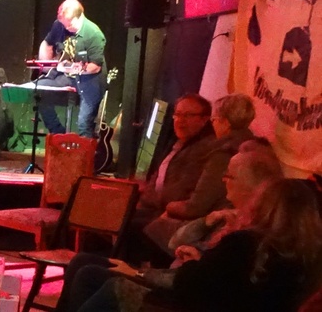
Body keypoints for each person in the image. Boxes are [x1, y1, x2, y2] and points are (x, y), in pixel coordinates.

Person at [54, 145, 283, 312]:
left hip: (176, 294)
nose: (223, 180)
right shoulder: (228, 213)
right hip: (175, 279)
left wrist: (137, 273)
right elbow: (176, 243)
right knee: (82, 261)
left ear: (250, 185)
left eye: (229, 175)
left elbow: (197, 281)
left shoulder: (246, 235)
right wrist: (207, 220)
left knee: (93, 276)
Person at [65, 178, 322, 312]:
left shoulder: (246, 243)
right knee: (90, 269)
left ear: (262, 205)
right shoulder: (306, 255)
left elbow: (189, 286)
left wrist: (142, 274)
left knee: (107, 283)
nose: (223, 179)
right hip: (199, 297)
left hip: (185, 304)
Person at [142, 93, 257, 255]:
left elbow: (196, 206)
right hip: (218, 222)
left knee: (141, 229)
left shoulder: (223, 153)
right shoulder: (248, 146)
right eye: (177, 114)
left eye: (214, 120)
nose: (180, 120)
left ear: (225, 122)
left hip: (215, 227)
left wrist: (168, 208)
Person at [124, 93, 216, 266]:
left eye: (188, 115)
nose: (180, 120)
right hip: (155, 206)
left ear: (205, 119)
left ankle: (126, 272)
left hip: (171, 215)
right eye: (178, 114)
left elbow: (179, 191)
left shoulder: (205, 149)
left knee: (126, 225)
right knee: (115, 214)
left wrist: (148, 200)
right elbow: (157, 176)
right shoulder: (180, 143)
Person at [36, 0, 107, 137]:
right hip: (68, 77)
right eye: (64, 25)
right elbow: (47, 42)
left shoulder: (94, 34)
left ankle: (84, 149)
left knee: (83, 123)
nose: (67, 28)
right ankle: (58, 135)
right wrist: (47, 64)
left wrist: (73, 69)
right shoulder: (59, 25)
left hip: (91, 80)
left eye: (70, 25)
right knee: (39, 91)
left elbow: (95, 67)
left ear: (80, 16)